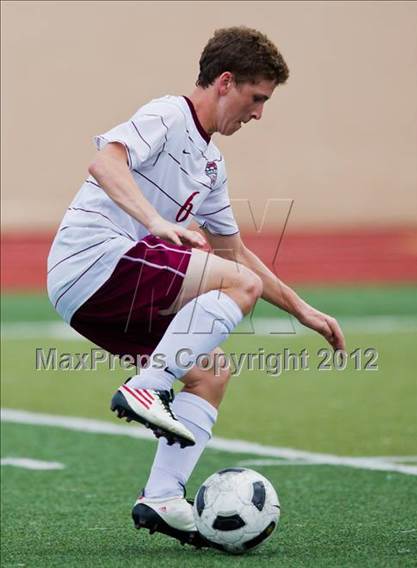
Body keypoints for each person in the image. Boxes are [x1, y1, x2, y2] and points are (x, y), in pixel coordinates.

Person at [47, 26, 345, 547]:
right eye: (256, 99)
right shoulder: (167, 113)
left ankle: (163, 496)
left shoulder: (211, 164)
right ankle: (148, 387)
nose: (257, 114)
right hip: (95, 260)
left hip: (94, 291)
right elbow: (105, 162)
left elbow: (235, 251)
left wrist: (303, 311)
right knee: (237, 287)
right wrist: (155, 222)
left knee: (211, 373)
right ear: (225, 82)